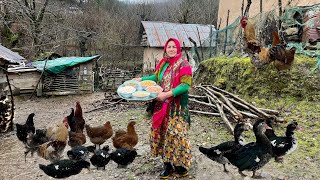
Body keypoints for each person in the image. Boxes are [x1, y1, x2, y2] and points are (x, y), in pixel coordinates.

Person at [134, 38, 192, 179]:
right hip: (161, 106)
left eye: (174, 47)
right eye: (169, 47)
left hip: (176, 108)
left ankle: (178, 165)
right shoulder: (164, 63)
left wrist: (167, 94)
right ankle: (167, 165)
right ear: (165, 48)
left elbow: (185, 86)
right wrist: (142, 79)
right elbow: (156, 77)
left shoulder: (184, 65)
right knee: (163, 134)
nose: (171, 49)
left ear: (178, 49)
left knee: (177, 136)